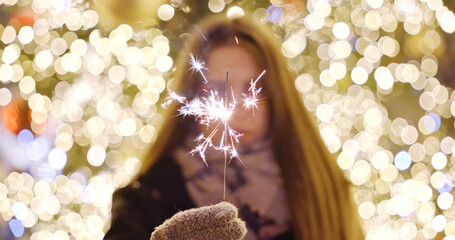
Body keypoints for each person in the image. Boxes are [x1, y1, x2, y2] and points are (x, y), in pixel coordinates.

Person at [104, 14, 365, 240]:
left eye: (256, 89)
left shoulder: (322, 189)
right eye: (217, 90)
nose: (238, 107)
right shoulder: (148, 198)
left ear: (278, 96)